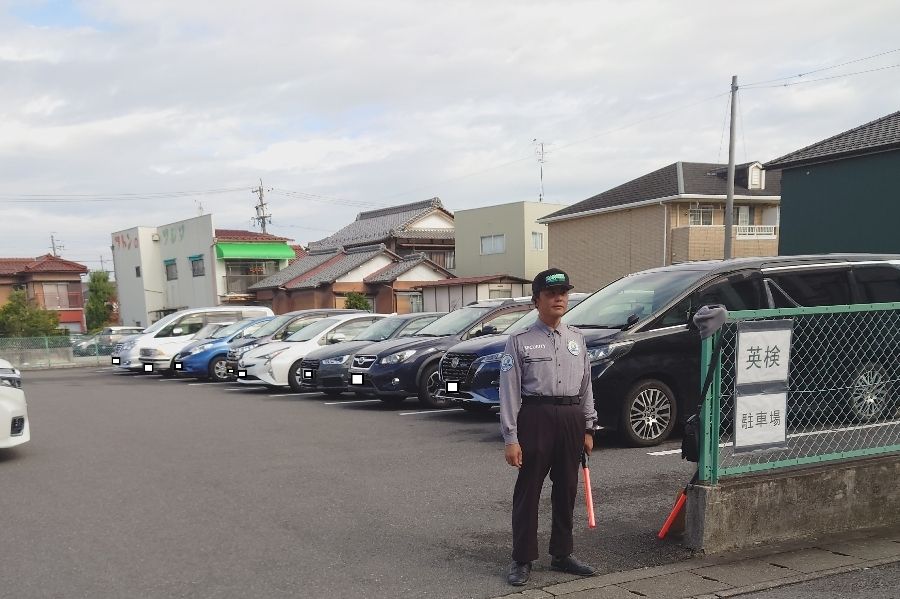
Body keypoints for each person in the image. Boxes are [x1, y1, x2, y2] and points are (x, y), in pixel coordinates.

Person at [499, 267, 598, 587]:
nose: (559, 299)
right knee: (529, 491)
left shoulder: (577, 339)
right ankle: (522, 558)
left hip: (571, 418)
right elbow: (510, 390)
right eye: (552, 294)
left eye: (563, 293)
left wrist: (588, 427)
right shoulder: (520, 341)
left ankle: (562, 553)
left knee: (567, 488)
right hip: (536, 417)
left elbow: (586, 386)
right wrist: (511, 437)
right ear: (536, 300)